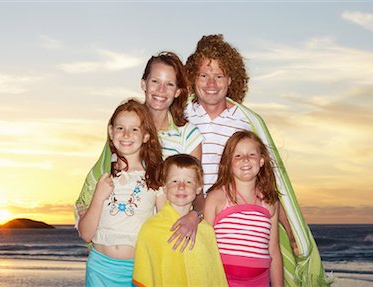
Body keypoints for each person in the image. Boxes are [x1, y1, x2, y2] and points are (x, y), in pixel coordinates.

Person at [185, 34, 332, 286]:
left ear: (230, 80)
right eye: (203, 75)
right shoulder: (182, 116)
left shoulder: (247, 121)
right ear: (192, 79)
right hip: (188, 216)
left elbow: (274, 181)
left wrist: (291, 230)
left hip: (241, 221)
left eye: (219, 76)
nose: (211, 83)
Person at [76, 52, 204, 251]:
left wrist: (195, 216)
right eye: (155, 81)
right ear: (144, 84)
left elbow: (197, 188)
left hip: (165, 237)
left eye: (169, 84)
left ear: (178, 91)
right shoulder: (126, 129)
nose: (161, 90)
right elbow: (105, 173)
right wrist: (88, 206)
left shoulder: (188, 135)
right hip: (122, 243)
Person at [78, 99, 166, 286]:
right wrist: (99, 197)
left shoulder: (155, 178)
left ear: (146, 135)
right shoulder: (101, 177)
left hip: (137, 270)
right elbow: (86, 234)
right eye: (120, 128)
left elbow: (166, 225)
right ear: (111, 132)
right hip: (99, 268)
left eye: (135, 129)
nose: (126, 134)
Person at [133, 154, 228, 287]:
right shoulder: (151, 229)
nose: (181, 186)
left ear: (199, 188)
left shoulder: (207, 231)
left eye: (189, 181)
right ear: (164, 186)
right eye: (174, 181)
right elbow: (144, 276)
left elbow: (214, 276)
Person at [204, 131, 283, 286]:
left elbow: (273, 250)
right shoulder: (216, 198)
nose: (245, 159)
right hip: (222, 281)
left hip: (259, 282)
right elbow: (205, 247)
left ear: (261, 160)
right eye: (238, 156)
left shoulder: (269, 202)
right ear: (228, 163)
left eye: (252, 154)